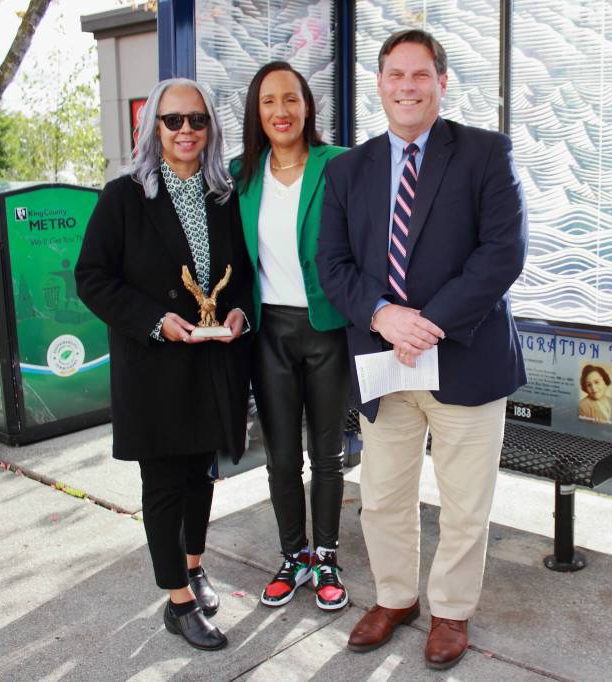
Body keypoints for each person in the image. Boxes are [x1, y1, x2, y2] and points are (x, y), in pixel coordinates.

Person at [316, 29, 528, 671]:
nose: (406, 86)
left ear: (441, 82)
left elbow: (502, 255)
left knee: (465, 502)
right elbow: (333, 263)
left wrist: (425, 323)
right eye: (394, 75)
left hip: (462, 356)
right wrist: (383, 316)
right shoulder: (348, 169)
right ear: (379, 83)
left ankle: (452, 612)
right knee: (383, 495)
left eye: (419, 75)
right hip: (384, 362)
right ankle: (395, 598)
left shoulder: (486, 153)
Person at [76, 78, 253, 652]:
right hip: (154, 365)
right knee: (163, 484)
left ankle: (195, 567)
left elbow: (244, 278)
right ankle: (177, 600)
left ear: (210, 128)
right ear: (153, 126)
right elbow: (93, 279)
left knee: (203, 475)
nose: (185, 131)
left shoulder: (221, 197)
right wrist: (155, 320)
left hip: (211, 364)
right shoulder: (124, 196)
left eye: (196, 120)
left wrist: (237, 316)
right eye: (173, 120)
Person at [231, 61, 350, 611]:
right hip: (268, 332)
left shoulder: (338, 166)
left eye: (291, 100)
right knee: (281, 456)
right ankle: (293, 556)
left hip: (325, 328)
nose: (281, 111)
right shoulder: (240, 174)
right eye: (269, 102)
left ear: (307, 107)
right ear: (257, 112)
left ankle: (326, 555)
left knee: (326, 454)